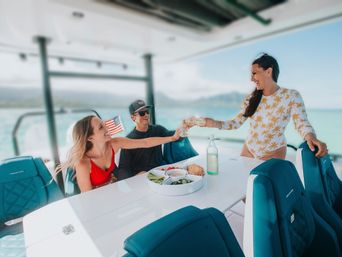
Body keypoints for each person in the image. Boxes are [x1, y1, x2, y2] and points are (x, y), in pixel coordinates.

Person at [184, 53, 328, 160]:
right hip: (248, 150)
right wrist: (209, 123)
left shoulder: (290, 96)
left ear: (268, 71)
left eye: (254, 73)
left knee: (264, 197)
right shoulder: (251, 98)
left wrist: (311, 137)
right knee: (245, 193)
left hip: (273, 153)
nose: (251, 79)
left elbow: (301, 123)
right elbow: (235, 123)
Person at [61, 115, 181, 192]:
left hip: (112, 190)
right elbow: (87, 198)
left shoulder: (114, 144)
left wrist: (172, 138)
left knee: (144, 174)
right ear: (90, 138)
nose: (107, 128)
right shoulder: (83, 163)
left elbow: (145, 142)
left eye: (104, 124)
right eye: (101, 127)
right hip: (98, 199)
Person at [116, 99, 176, 180]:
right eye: (142, 113)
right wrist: (133, 179)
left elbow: (174, 136)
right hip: (143, 177)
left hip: (162, 172)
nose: (146, 115)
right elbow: (123, 168)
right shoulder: (128, 141)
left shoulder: (158, 129)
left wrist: (185, 127)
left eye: (147, 111)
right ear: (133, 118)